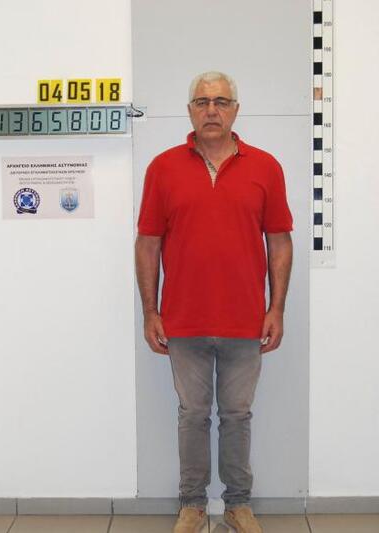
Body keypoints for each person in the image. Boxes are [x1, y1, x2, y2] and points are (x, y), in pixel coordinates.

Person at [135, 71, 293, 533]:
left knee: (238, 416)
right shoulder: (162, 168)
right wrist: (150, 311)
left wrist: (277, 308)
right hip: (183, 321)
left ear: (235, 111)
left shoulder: (266, 167)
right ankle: (193, 505)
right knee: (193, 415)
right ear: (190, 110)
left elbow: (279, 241)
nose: (211, 110)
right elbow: (147, 243)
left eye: (221, 102)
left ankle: (238, 505)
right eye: (202, 102)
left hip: (246, 321)